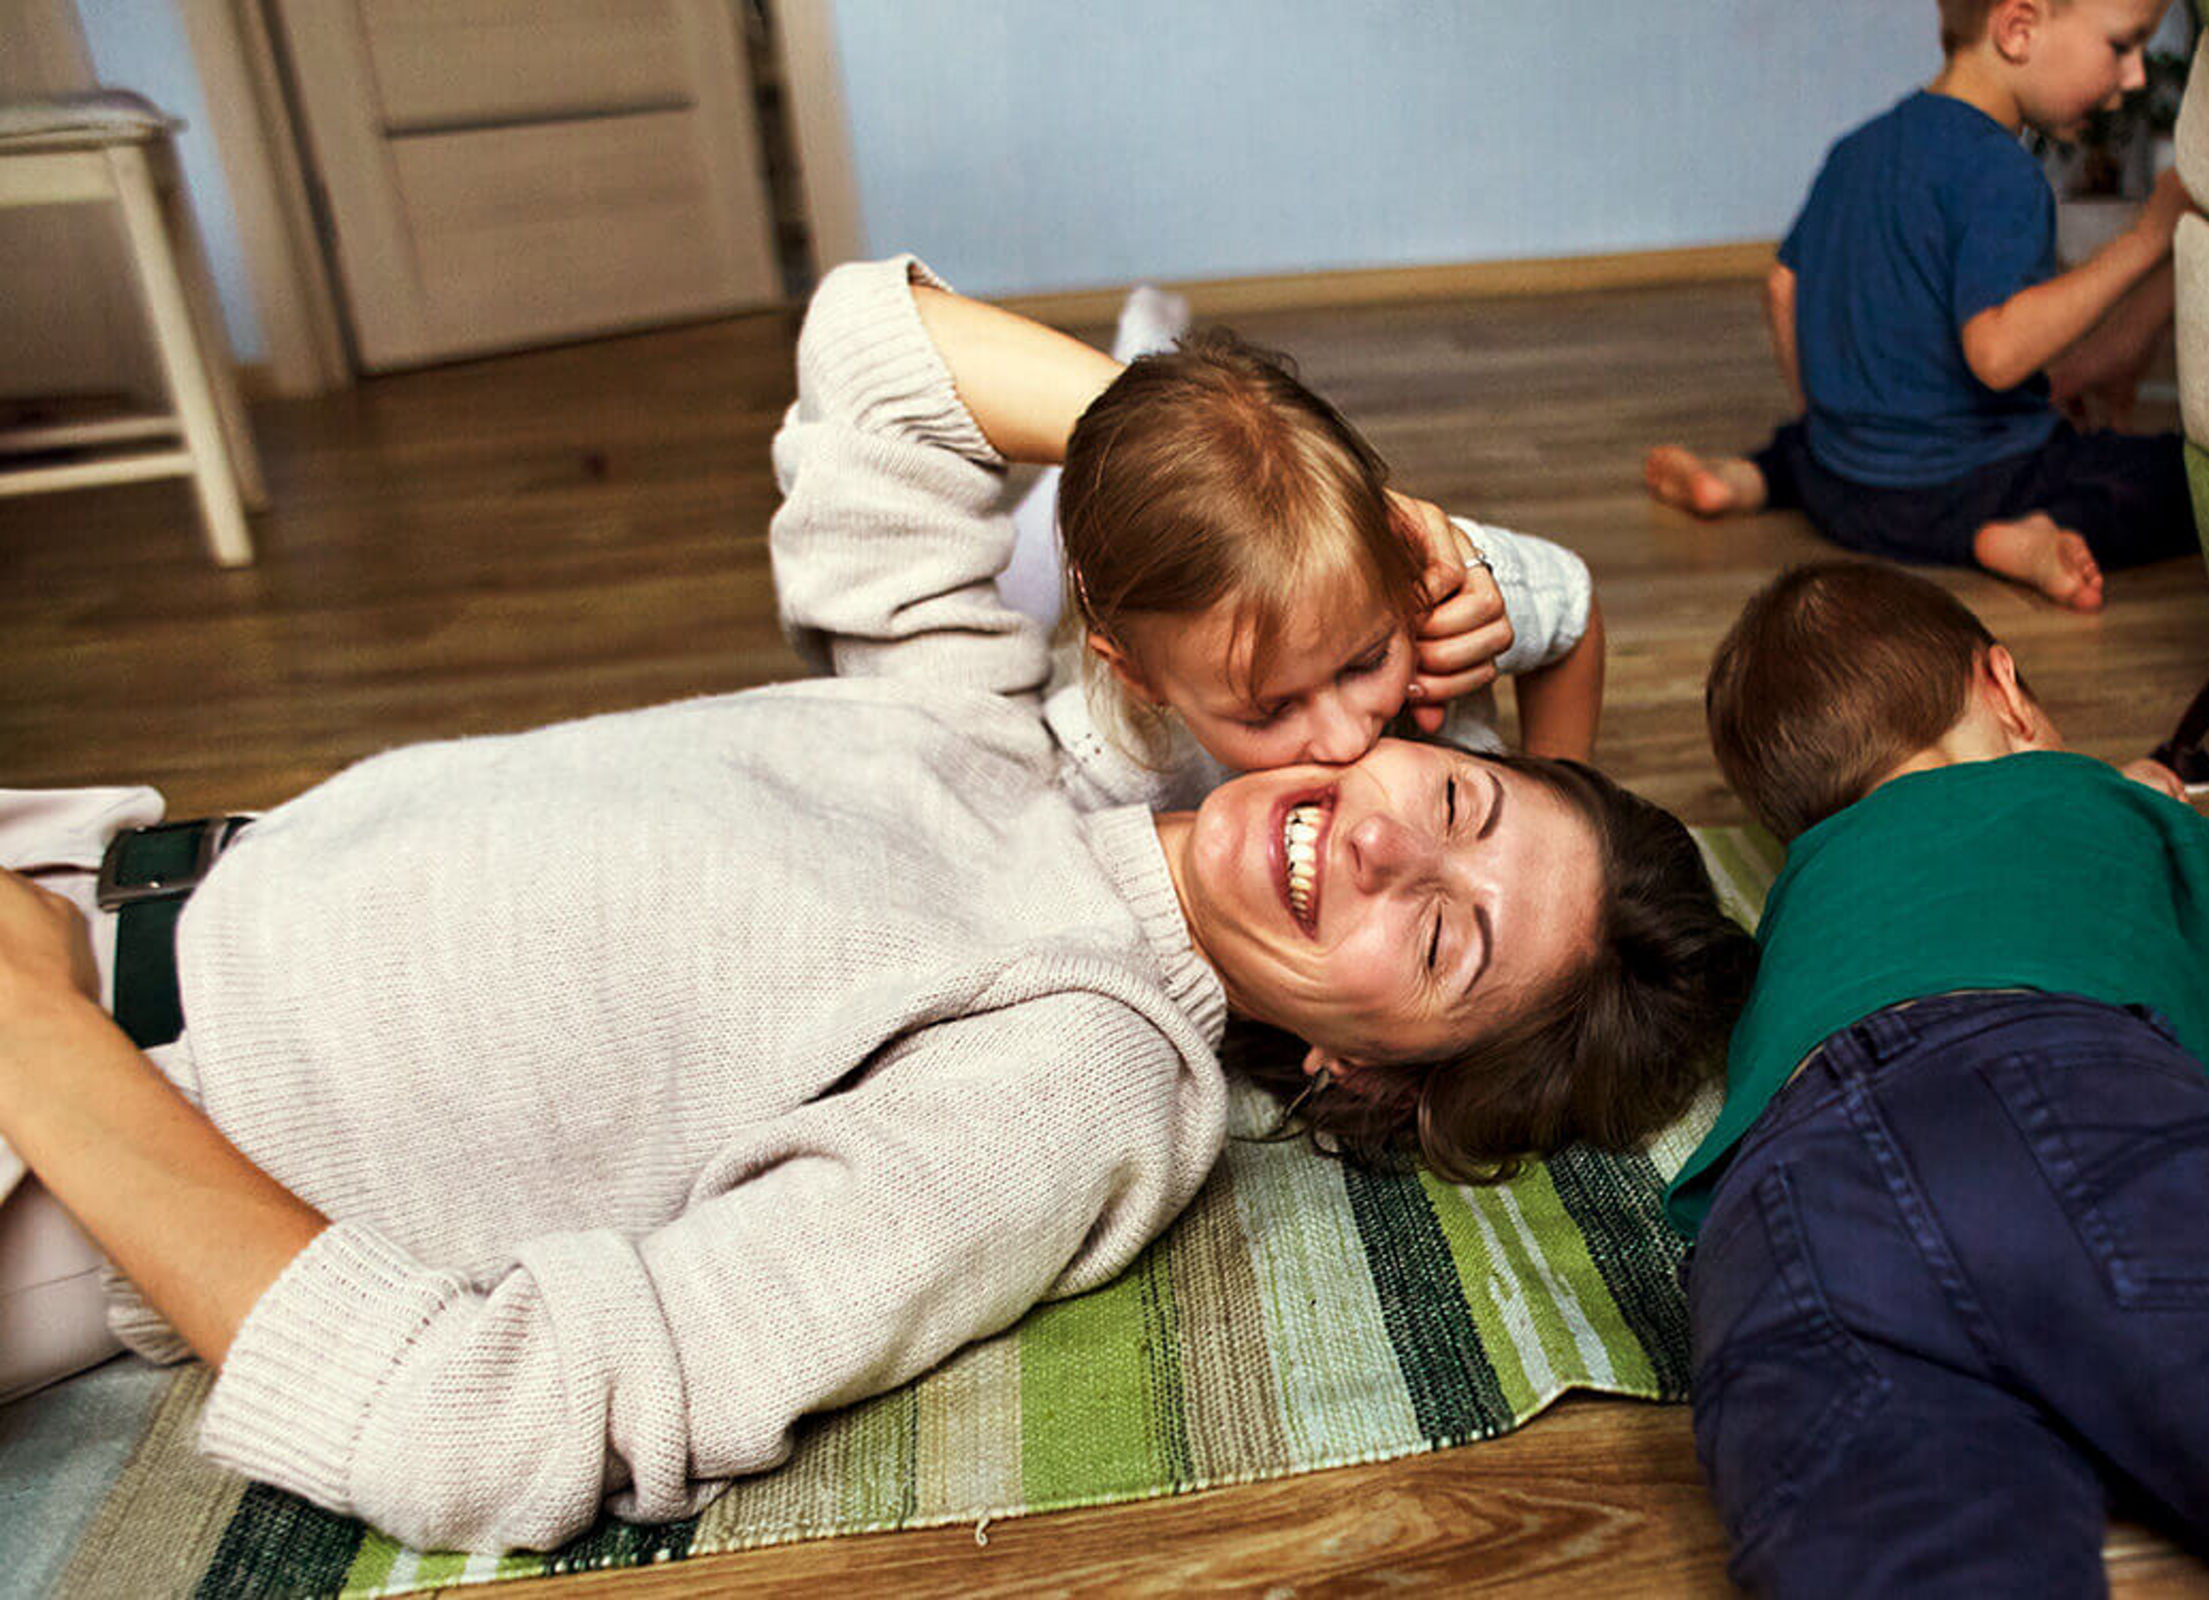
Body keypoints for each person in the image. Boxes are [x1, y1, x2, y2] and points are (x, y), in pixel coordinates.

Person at [0, 259, 1751, 1557]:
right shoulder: (991, 719)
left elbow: (498, 1424)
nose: (1383, 847)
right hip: (89, 862)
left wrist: (47, 1044)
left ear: (1367, 1078)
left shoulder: (1082, 1080)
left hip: (80, 1118)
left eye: (1442, 937)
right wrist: (1267, 491)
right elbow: (874, 362)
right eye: (1448, 798)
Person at [1670, 561, 2209, 1597]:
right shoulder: (2107, 801)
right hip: (2057, 1092)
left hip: (1778, 1203)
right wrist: (2181, 838)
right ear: (2004, 686)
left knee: (1894, 1550)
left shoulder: (1803, 888)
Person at [774, 260, 1607, 820]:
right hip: (1074, 621)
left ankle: (1148, 359)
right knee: (1039, 561)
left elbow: (1570, 610)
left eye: (1363, 663)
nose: (1350, 737)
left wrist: (1553, 804)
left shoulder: (1429, 600)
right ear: (1137, 677)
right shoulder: (1109, 763)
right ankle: (1144, 358)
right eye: (1270, 708)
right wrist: (1163, 437)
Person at [1645, 0, 2198, 612]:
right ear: (2018, 30)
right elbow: (1996, 354)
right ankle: (2019, 537)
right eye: (2121, 47)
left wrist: (1825, 426)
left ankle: (1745, 479)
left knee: (1800, 451)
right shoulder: (2002, 173)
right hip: (1973, 491)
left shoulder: (1855, 149)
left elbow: (1782, 286)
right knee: (2186, 477)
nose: (2136, 76)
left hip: (1841, 491)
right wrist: (2147, 240)